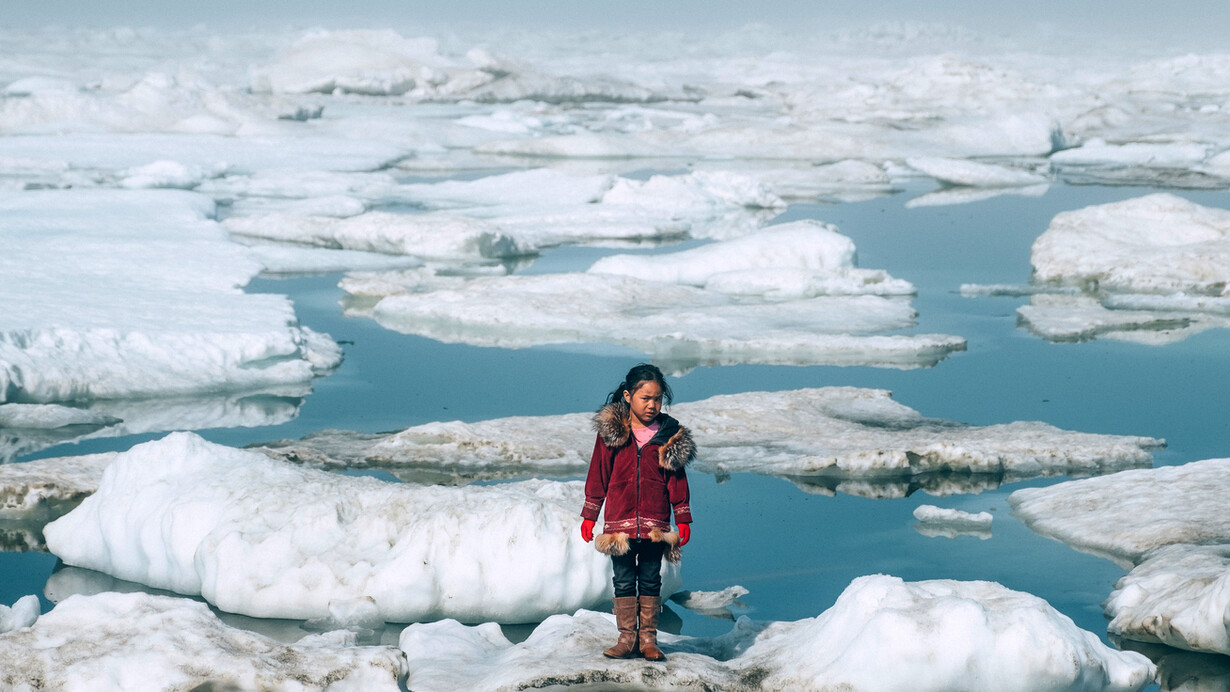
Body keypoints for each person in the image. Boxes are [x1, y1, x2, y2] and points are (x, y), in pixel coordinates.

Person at [579, 363, 695, 662]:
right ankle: (626, 638)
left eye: (657, 399)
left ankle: (648, 640)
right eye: (646, 398)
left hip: (656, 522)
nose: (652, 405)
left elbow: (677, 480)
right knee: (623, 579)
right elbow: (598, 473)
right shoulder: (613, 432)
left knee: (650, 578)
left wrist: (682, 516)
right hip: (620, 521)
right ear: (629, 396)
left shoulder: (669, 434)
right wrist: (591, 513)